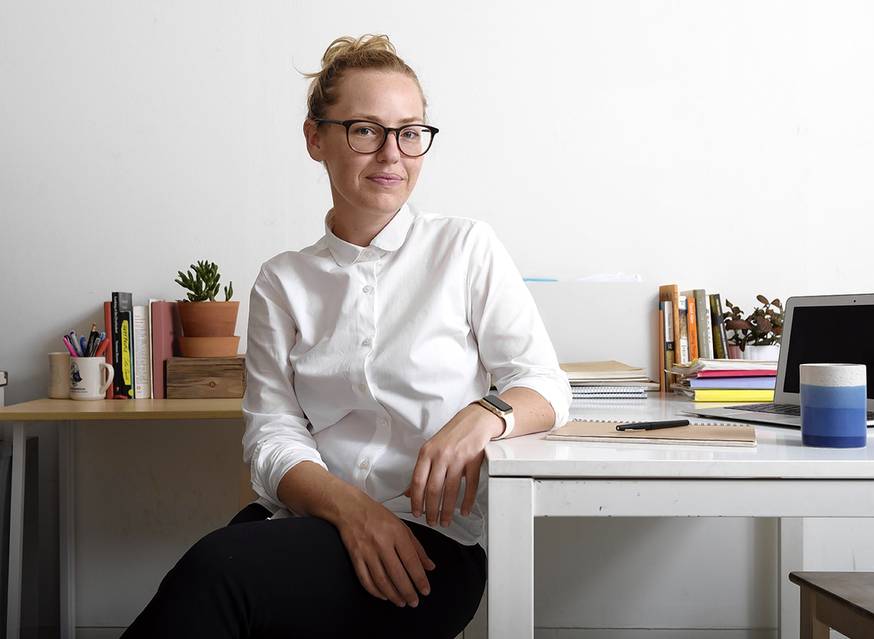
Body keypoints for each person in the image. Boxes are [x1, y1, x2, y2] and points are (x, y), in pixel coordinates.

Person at [122, 34, 570, 638]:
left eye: (410, 132)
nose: (392, 153)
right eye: (365, 130)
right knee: (216, 577)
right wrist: (353, 512)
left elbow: (544, 384)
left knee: (218, 577)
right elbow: (272, 437)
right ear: (315, 138)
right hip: (309, 517)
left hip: (428, 544)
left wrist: (484, 413)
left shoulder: (465, 248)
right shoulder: (283, 281)